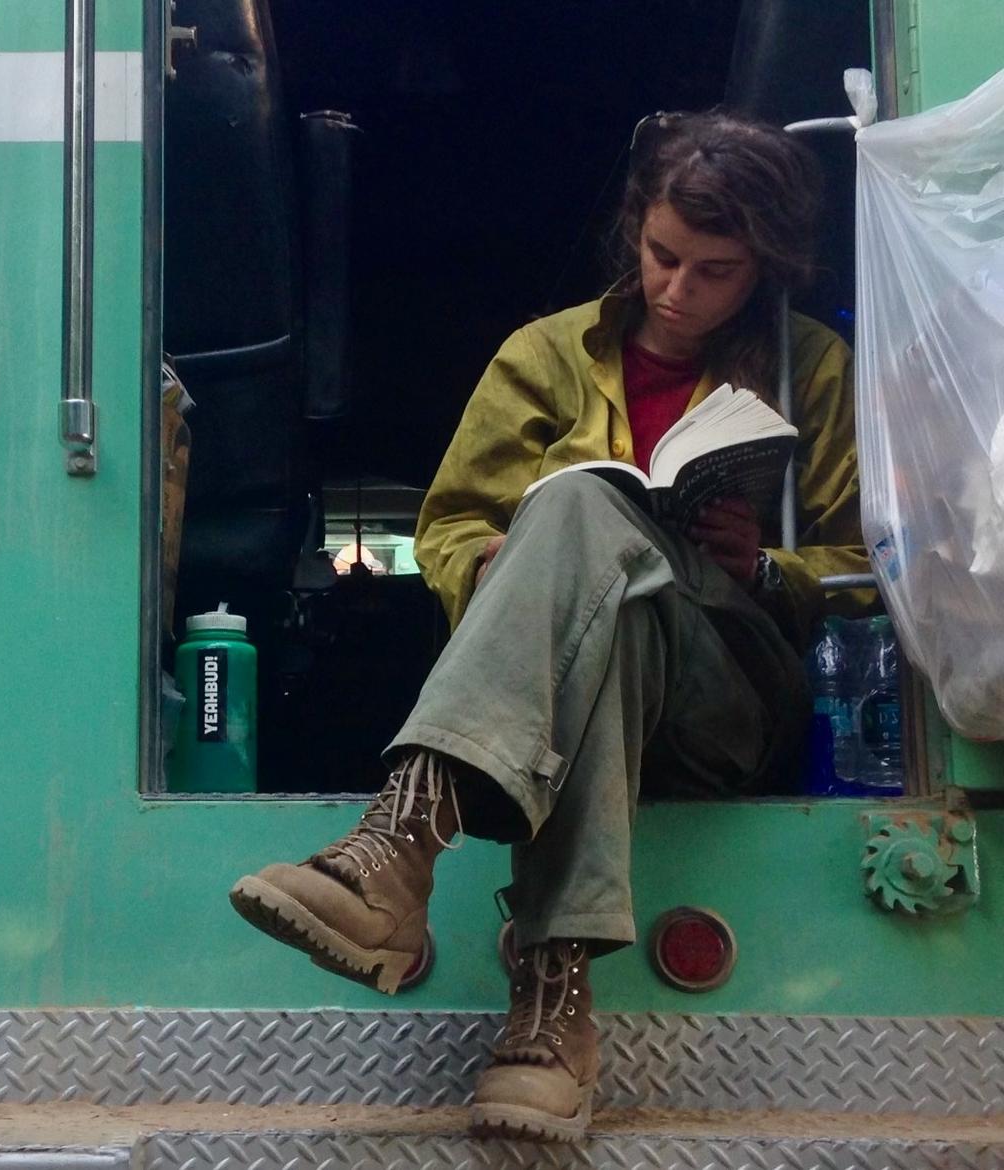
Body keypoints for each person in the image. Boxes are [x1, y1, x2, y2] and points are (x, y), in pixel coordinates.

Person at [228, 111, 871, 1143]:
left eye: (716, 271)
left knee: (572, 511)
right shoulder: (543, 356)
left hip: (730, 700)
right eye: (663, 257)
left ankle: (402, 843)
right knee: (576, 548)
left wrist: (765, 564)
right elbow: (444, 530)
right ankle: (550, 1016)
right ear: (633, 229)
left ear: (764, 266)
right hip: (580, 686)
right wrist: (502, 566)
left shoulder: (816, 369)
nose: (677, 289)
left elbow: (871, 572)